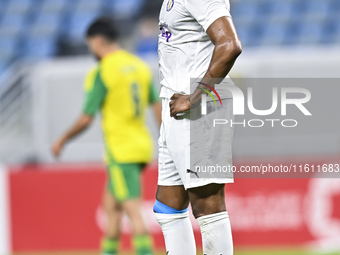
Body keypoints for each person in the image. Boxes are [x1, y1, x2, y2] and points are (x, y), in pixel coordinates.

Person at [51, 17, 161, 255]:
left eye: (90, 44)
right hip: (141, 146)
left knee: (134, 213)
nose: (91, 49)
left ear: (98, 41)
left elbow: (86, 118)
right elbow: (156, 106)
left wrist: (62, 140)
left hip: (120, 152)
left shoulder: (103, 71)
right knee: (111, 209)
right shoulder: (139, 66)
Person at [153, 0, 242, 254]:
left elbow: (230, 45)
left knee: (207, 206)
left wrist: (195, 97)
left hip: (198, 110)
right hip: (175, 107)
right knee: (167, 207)